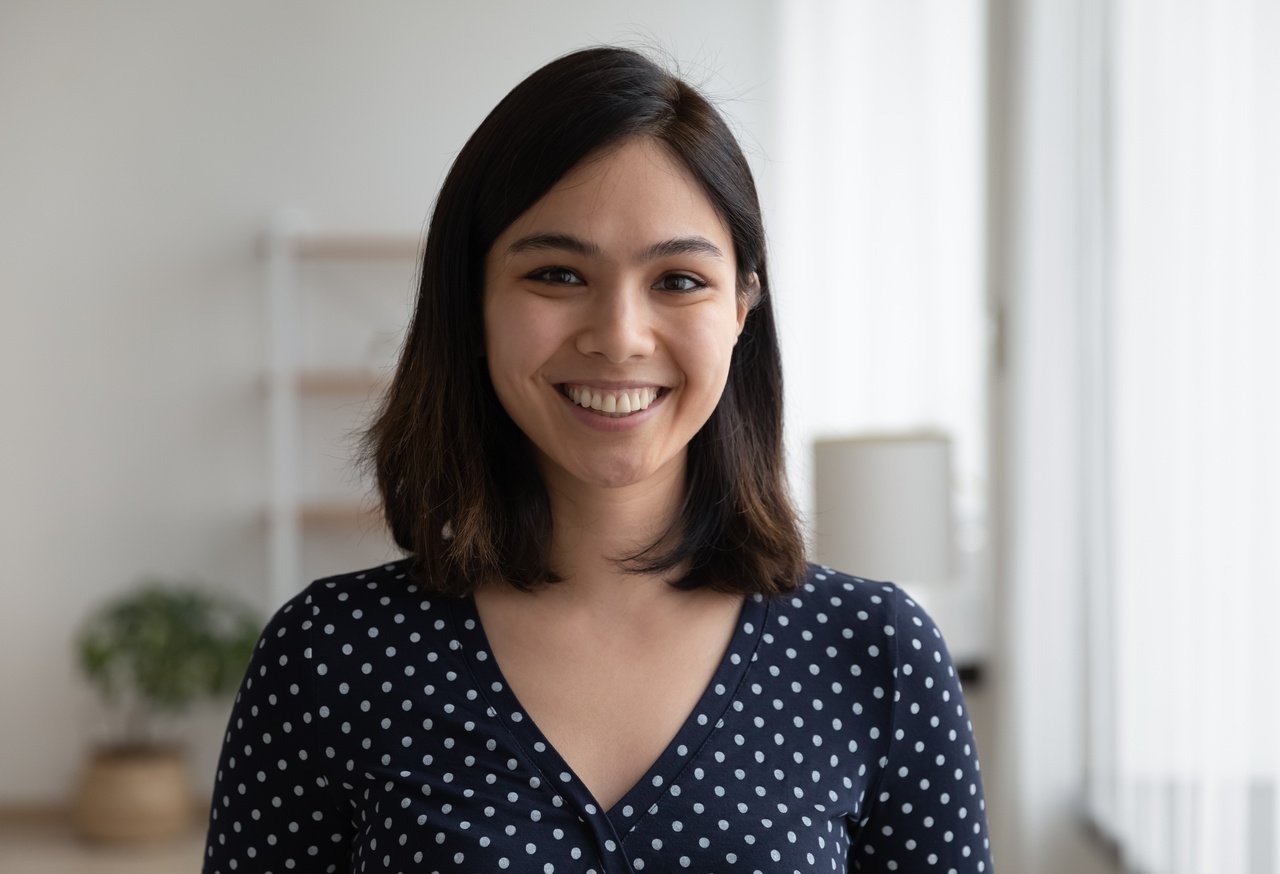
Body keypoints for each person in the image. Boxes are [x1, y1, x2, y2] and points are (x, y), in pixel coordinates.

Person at [203, 46, 993, 873]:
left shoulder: (876, 654)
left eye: (679, 280)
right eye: (556, 273)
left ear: (742, 308)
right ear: (471, 302)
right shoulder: (331, 656)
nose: (619, 336)